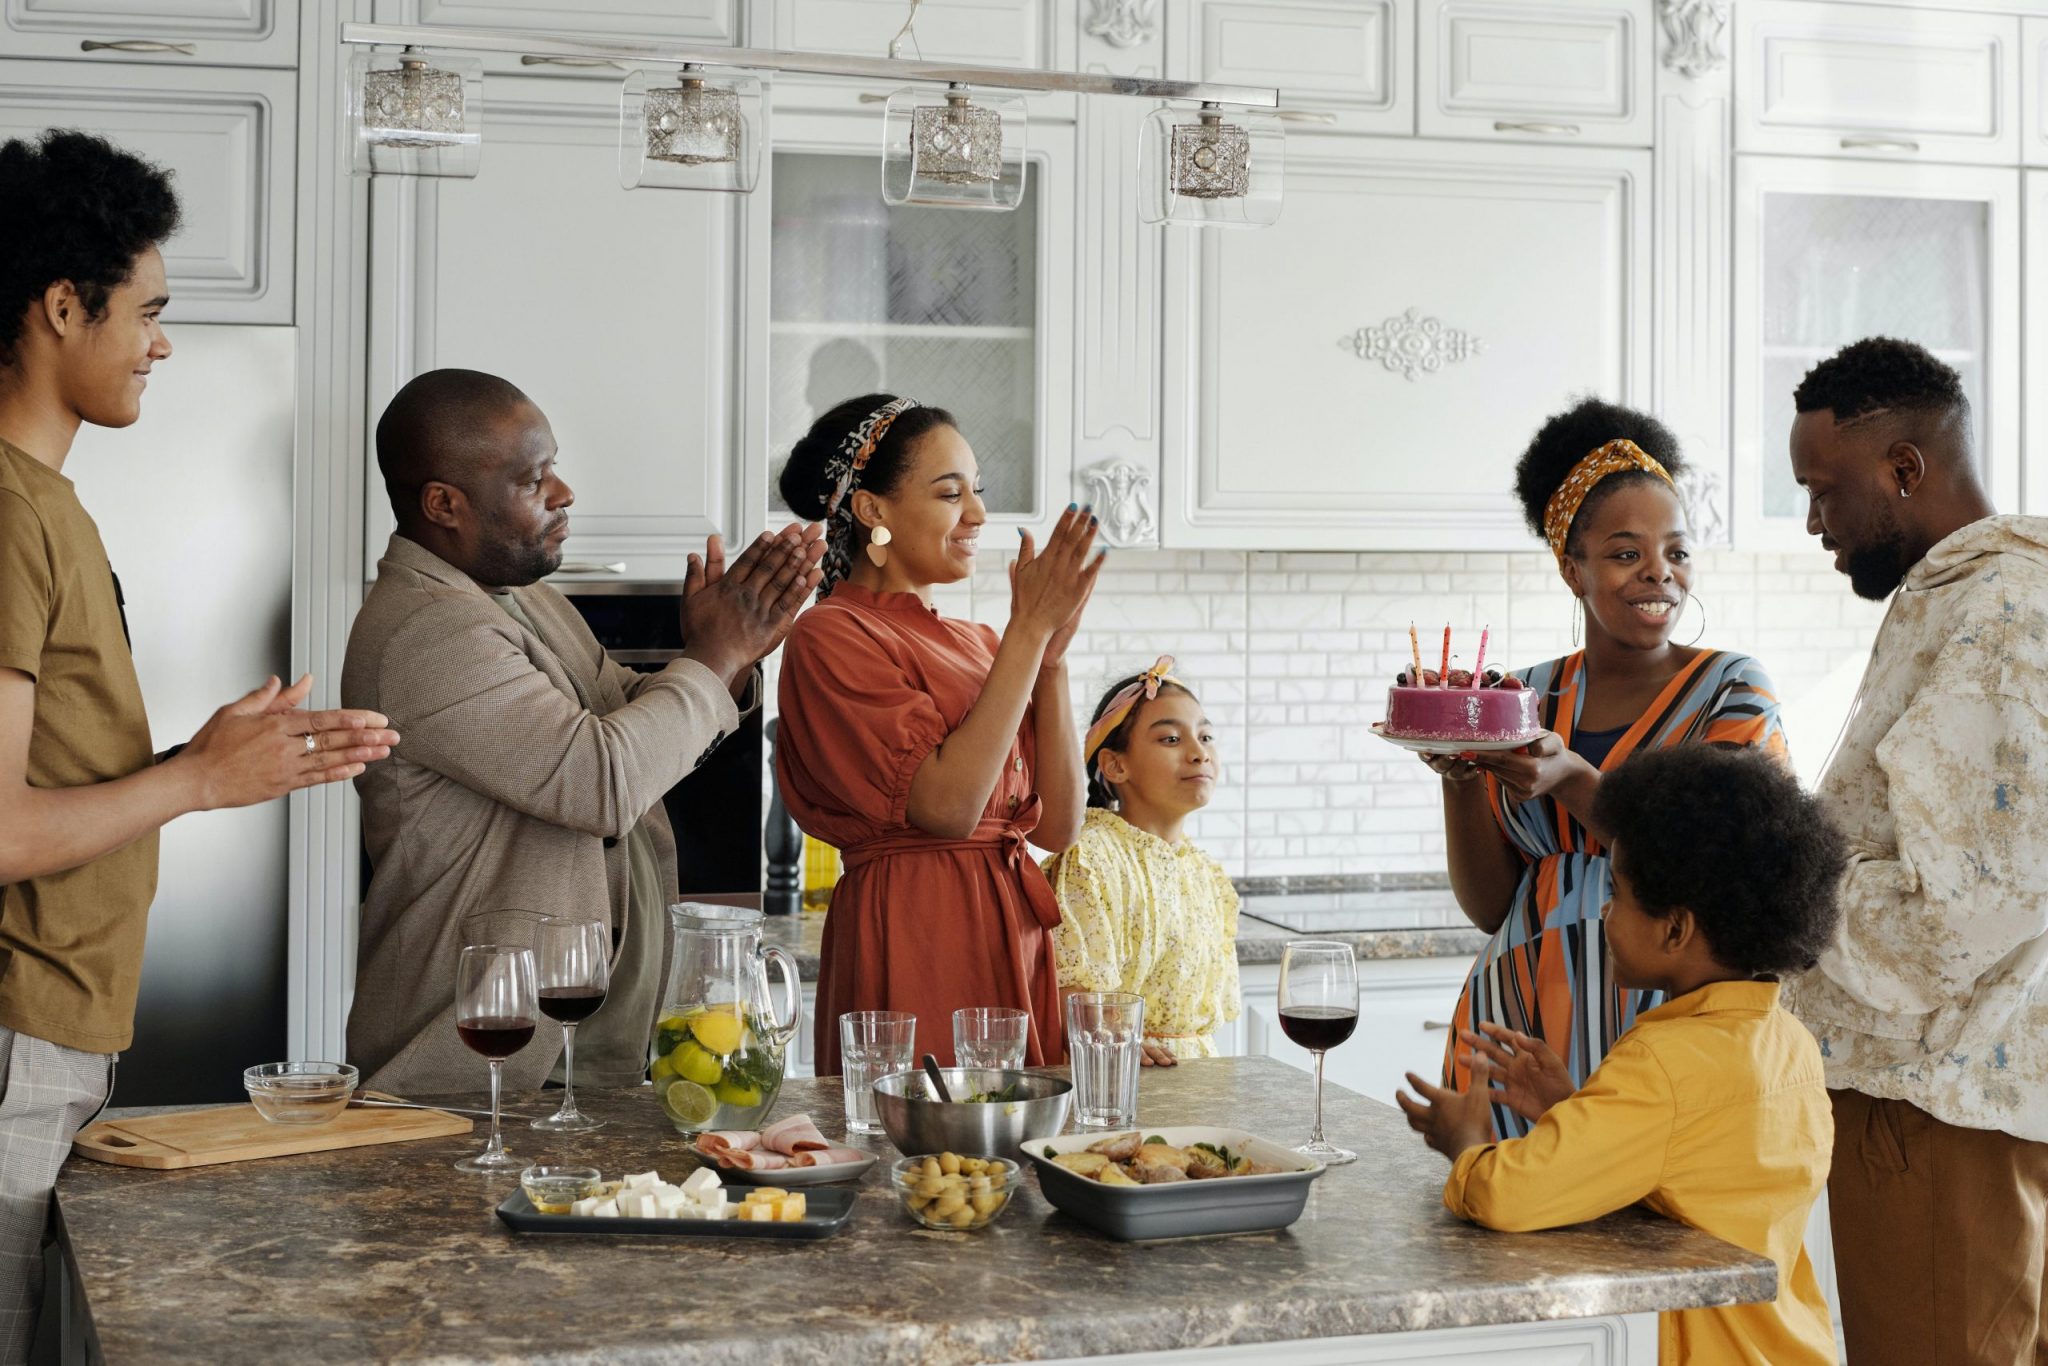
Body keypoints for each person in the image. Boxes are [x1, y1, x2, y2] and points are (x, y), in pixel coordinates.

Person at [0, 130, 397, 1363]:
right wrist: (195, 779)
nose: (161, 343)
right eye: (148, 312)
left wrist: (205, 758)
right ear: (63, 307)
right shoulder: (9, 511)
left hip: (54, 1027)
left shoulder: (44, 502)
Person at [343, 368, 822, 1096]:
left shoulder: (518, 596)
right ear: (444, 503)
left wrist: (725, 658)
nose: (564, 493)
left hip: (572, 1045)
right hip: (476, 1059)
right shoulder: (429, 630)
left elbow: (627, 715)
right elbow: (601, 780)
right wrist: (713, 656)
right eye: (534, 481)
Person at [1398, 745, 1845, 1366]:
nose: (1604, 912)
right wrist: (1572, 1108)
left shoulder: (1664, 1061)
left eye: (1618, 893)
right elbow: (1693, 1173)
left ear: (1675, 930)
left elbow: (1509, 1197)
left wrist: (1467, 1145)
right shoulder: (1789, 1044)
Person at [1782, 337, 2048, 1366]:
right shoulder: (1978, 597)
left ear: (1901, 468)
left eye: (1821, 489)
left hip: (1934, 1109)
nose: (1812, 523)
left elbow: (1957, 911)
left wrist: (1787, 882)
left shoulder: (1993, 616)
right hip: (1978, 1093)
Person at [1429, 398, 1789, 1137]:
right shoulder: (1524, 698)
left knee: (1665, 1236)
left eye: (1677, 552)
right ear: (1573, 570)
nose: (1660, 574)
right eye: (1627, 553)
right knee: (1502, 1230)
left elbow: (1715, 869)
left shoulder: (1733, 688)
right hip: (1520, 1018)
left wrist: (1570, 779)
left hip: (1670, 1025)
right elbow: (1497, 907)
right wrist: (1461, 779)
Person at [774, 394, 1100, 1073]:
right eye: (951, 494)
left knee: (1018, 1159)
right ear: (873, 511)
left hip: (1011, 929)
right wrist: (1029, 635)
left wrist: (1053, 660)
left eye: (975, 492)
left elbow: (1059, 828)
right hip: (916, 932)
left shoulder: (982, 642)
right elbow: (946, 809)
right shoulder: (831, 634)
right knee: (919, 1158)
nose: (978, 515)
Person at [1044, 657, 1240, 1065]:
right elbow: (1069, 992)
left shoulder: (1207, 874)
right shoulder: (1091, 858)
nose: (1198, 753)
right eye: (1171, 739)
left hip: (1200, 1081)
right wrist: (1119, 1042)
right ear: (1115, 765)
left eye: (1206, 737)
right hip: (1122, 1079)